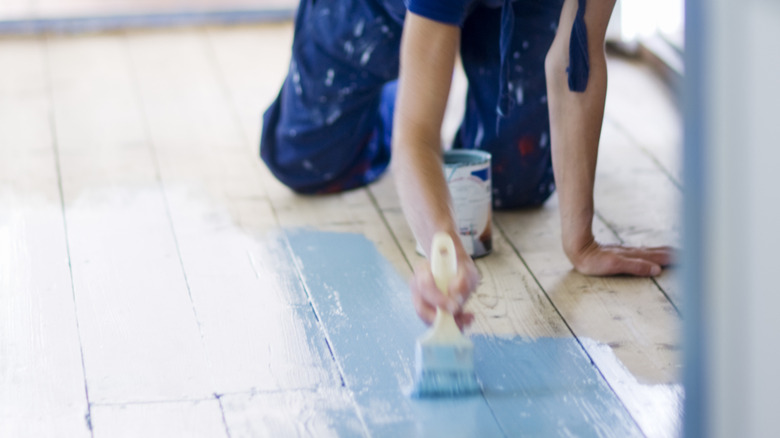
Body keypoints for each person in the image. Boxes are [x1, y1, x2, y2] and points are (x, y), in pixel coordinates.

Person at [260, 0, 674, 328]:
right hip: (377, 9)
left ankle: (441, 51)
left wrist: (581, 242)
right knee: (308, 161)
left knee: (512, 186)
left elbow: (576, 59)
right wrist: (446, 245)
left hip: (508, 11)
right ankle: (401, 81)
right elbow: (418, 135)